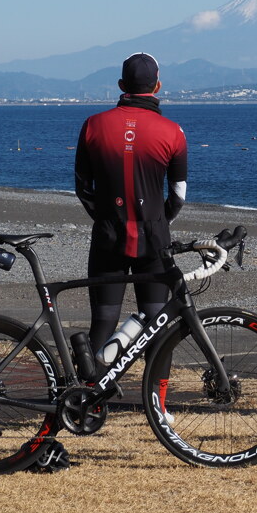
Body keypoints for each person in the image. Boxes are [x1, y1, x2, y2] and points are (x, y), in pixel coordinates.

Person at [74, 53, 188, 382]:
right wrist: (159, 220)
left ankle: (86, 399)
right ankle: (159, 407)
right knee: (157, 321)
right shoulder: (173, 131)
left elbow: (83, 187)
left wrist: (107, 218)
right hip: (154, 238)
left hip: (107, 236)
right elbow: (178, 194)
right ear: (157, 85)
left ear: (121, 85)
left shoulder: (93, 125)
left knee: (104, 320)